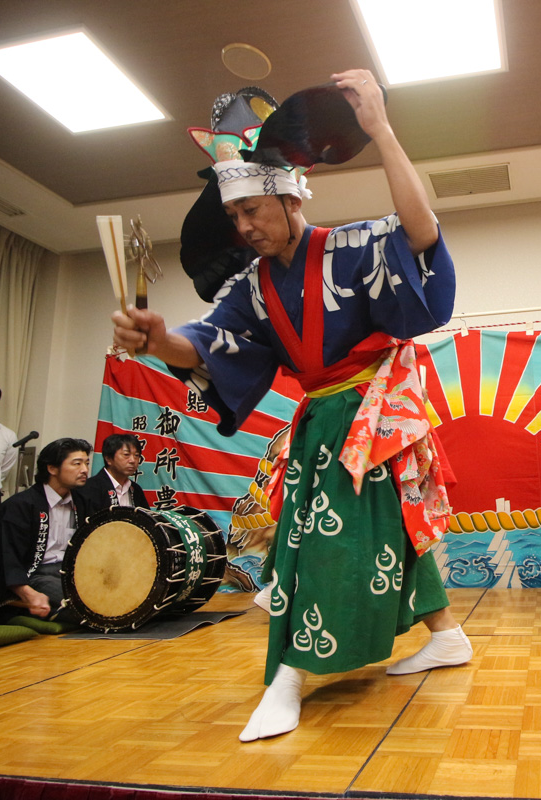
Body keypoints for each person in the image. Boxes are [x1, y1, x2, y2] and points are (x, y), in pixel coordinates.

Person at [112, 69, 470, 742]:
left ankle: (291, 677)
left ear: (289, 197)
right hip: (324, 420)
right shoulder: (250, 286)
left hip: (372, 412)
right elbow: (211, 340)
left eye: (253, 211)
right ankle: (447, 634)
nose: (244, 226)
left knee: (326, 544)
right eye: (235, 217)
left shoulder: (354, 245)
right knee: (385, 530)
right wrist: (162, 339)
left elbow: (420, 236)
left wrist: (381, 130)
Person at [0, 438, 91, 621]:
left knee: (122, 598)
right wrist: (27, 592)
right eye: (77, 463)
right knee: (87, 605)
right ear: (52, 468)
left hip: (71, 571)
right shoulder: (21, 505)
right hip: (37, 573)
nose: (84, 470)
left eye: (86, 463)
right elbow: (7, 556)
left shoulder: (81, 502)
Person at [77, 433, 148, 515]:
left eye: (136, 455)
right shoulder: (89, 488)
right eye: (126, 455)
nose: (132, 460)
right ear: (108, 459)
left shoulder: (136, 489)